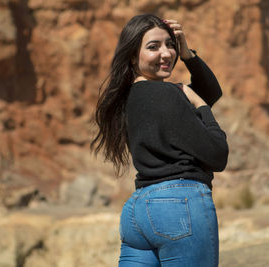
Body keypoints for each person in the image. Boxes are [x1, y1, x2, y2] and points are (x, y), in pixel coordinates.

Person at [91, 14, 228, 267]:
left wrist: (186, 53)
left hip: (138, 212)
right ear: (133, 56)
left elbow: (211, 91)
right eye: (153, 47)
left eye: (170, 45)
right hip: (180, 207)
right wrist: (202, 107)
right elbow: (217, 155)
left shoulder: (128, 97)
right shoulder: (167, 94)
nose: (166, 53)